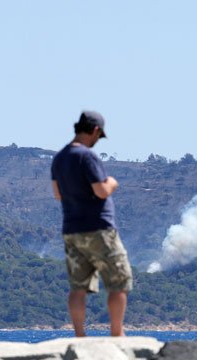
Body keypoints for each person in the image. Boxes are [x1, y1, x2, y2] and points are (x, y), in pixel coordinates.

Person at [51, 111, 133, 337]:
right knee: (118, 281)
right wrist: (112, 183)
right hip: (98, 228)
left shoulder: (59, 158)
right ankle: (117, 335)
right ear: (95, 130)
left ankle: (80, 336)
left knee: (78, 287)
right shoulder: (86, 157)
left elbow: (58, 194)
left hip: (71, 229)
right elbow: (101, 191)